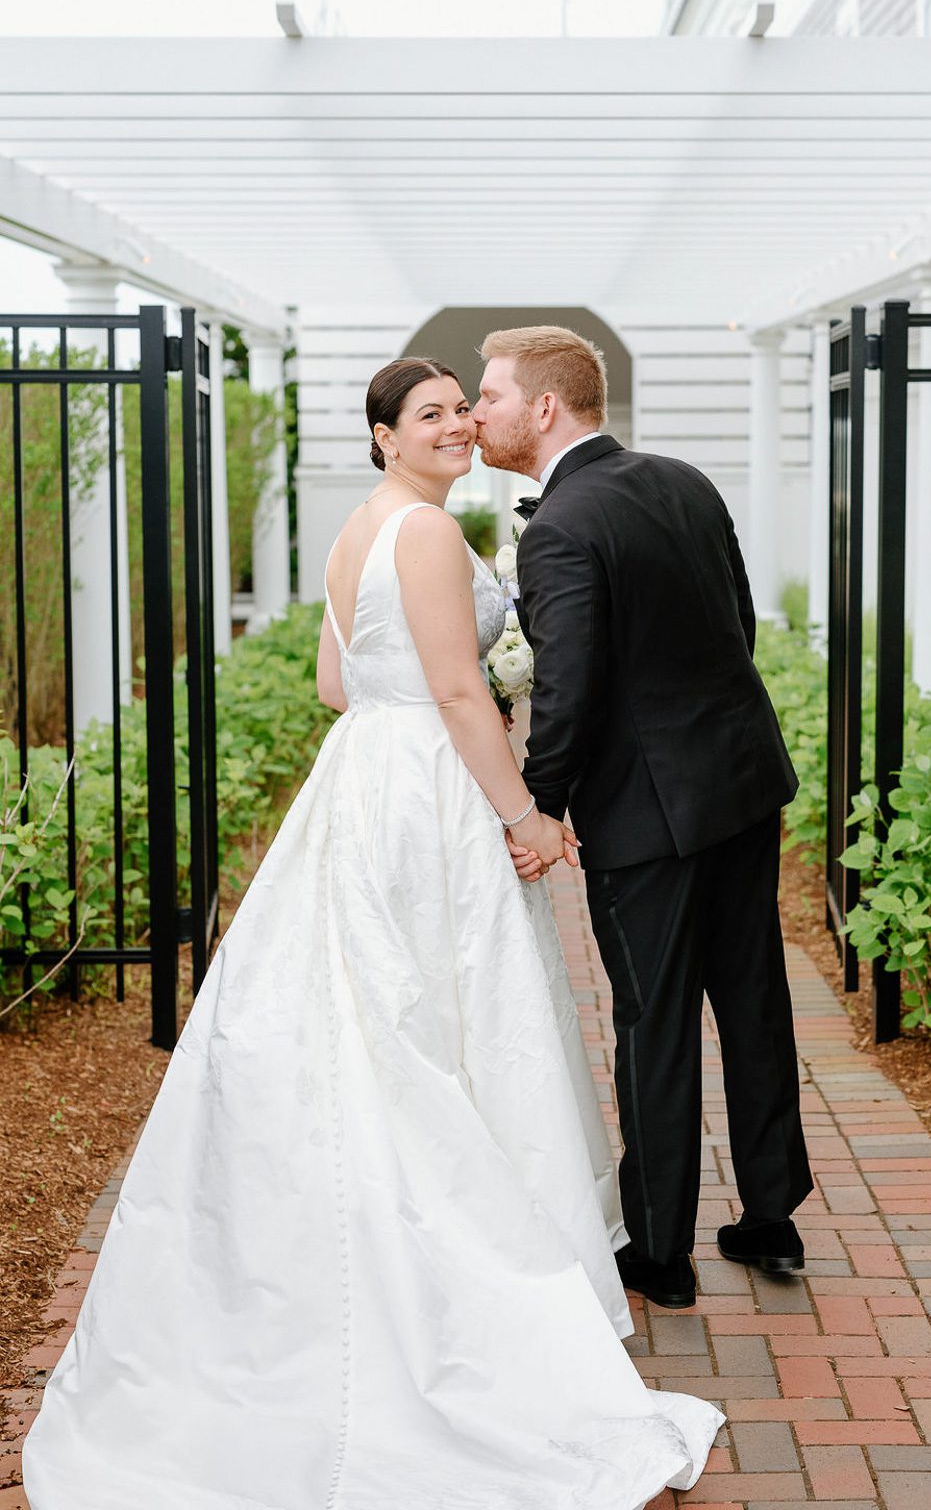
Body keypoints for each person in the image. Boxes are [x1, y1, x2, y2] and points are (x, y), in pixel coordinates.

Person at [22, 356, 722, 1510]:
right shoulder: (433, 539)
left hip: (362, 780)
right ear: (387, 435)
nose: (455, 426)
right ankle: (459, 1266)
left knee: (369, 1004)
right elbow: (455, 693)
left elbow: (334, 687)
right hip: (433, 787)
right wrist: (524, 818)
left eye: (463, 408)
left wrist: (424, 704)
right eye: (431, 415)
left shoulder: (359, 531)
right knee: (443, 1014)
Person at [473, 326, 813, 1312]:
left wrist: (538, 804)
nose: (480, 409)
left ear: (544, 407)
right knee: (751, 1000)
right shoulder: (683, 480)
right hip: (742, 782)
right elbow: (737, 624)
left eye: (491, 394)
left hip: (647, 816)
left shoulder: (559, 526)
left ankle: (659, 1251)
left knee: (652, 1019)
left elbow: (567, 692)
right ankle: (769, 1217)